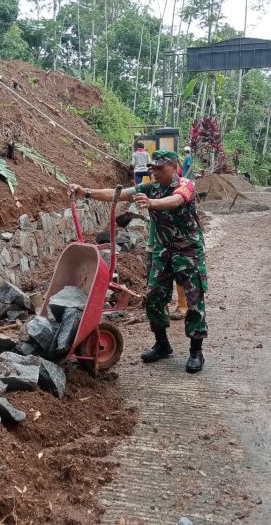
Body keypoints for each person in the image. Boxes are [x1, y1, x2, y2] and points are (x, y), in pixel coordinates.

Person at [69, 149, 208, 373]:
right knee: (154, 298)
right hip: (163, 251)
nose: (155, 172)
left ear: (174, 167)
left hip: (188, 251)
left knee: (194, 301)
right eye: (153, 168)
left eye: (160, 168)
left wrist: (152, 203)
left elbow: (175, 201)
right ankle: (162, 345)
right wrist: (85, 192)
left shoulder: (186, 184)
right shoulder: (149, 187)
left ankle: (195, 351)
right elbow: (117, 195)